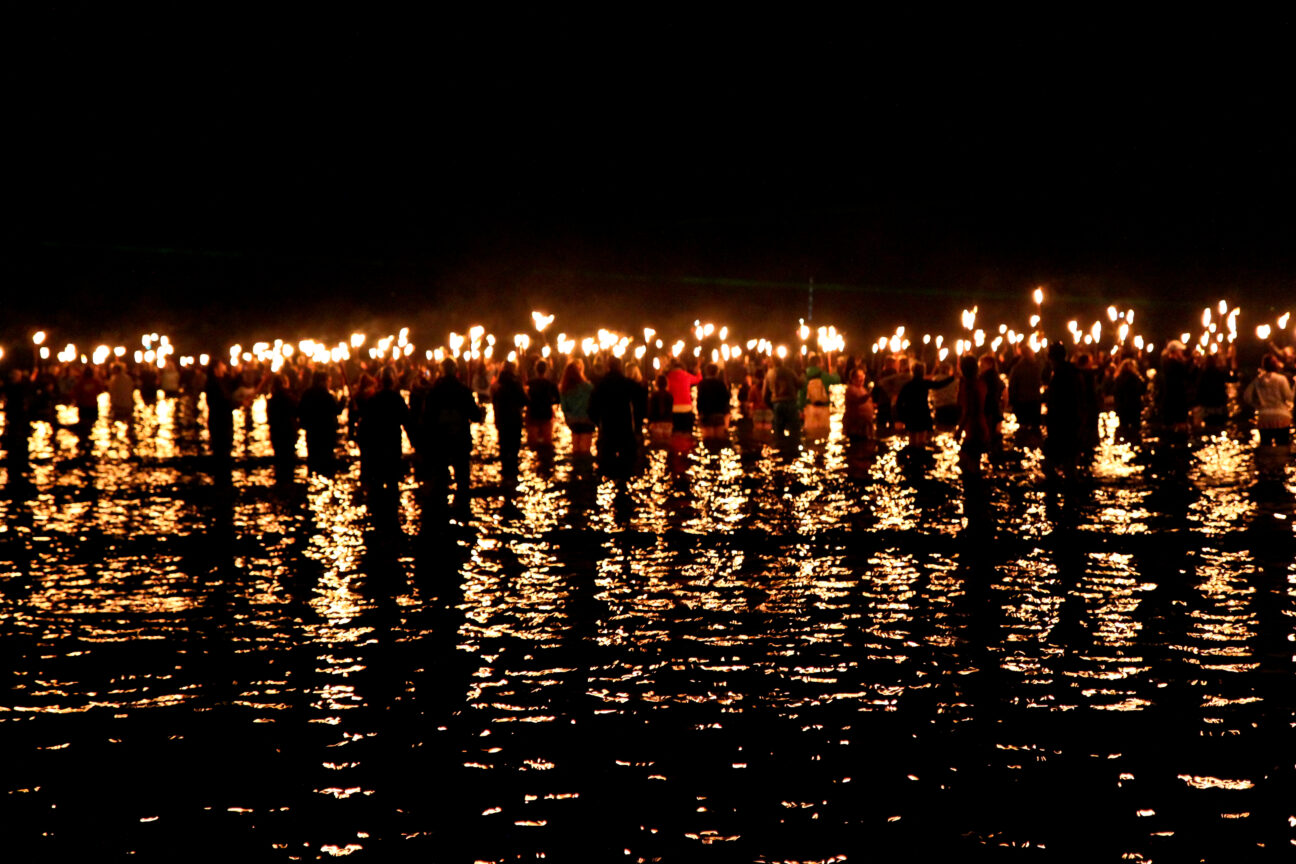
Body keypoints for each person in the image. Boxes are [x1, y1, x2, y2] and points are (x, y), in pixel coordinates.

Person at [422, 357, 482, 504]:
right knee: (462, 479)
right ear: (455, 371)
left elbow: (426, 418)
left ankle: (441, 511)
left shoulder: (434, 392)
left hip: (440, 441)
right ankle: (462, 507)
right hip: (459, 440)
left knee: (440, 481)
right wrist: (480, 412)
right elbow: (475, 415)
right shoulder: (463, 391)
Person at [587, 355, 646, 479]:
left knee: (607, 466)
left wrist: (598, 423)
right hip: (625, 428)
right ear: (620, 367)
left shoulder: (601, 384)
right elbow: (641, 400)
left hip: (608, 428)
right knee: (627, 467)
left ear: (608, 367)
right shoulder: (627, 383)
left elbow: (591, 408)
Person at [358, 368, 412, 495]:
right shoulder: (397, 399)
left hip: (377, 447)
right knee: (392, 485)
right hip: (392, 445)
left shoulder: (373, 400)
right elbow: (407, 423)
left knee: (377, 486)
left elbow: (364, 427)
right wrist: (415, 444)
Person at [1043, 342, 1083, 479]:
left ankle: (1058, 493)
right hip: (1071, 424)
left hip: (1062, 426)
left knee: (1054, 465)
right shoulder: (1072, 372)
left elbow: (1058, 402)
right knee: (1069, 465)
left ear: (1051, 358)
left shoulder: (1061, 375)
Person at [895, 361, 954, 448]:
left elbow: (899, 402)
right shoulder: (924, 383)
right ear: (923, 372)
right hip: (923, 413)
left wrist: (900, 418)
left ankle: (912, 456)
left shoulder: (908, 386)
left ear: (913, 371)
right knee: (922, 441)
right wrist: (952, 378)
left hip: (911, 414)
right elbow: (939, 385)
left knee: (912, 440)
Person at [1242, 354, 1293, 447]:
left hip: (1264, 417)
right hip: (1281, 416)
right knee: (1282, 446)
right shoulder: (1281, 379)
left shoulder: (1258, 380)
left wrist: (1257, 405)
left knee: (1266, 446)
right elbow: (1289, 397)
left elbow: (1247, 396)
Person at [298, 370, 342, 473]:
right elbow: (336, 410)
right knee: (326, 459)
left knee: (313, 458)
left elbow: (300, 410)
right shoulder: (326, 395)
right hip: (326, 432)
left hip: (312, 431)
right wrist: (343, 401)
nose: (329, 383)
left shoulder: (307, 393)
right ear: (323, 381)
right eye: (328, 380)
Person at [490, 360, 529, 477]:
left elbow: (494, 402)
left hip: (501, 420)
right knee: (514, 449)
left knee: (504, 447)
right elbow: (524, 401)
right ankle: (513, 472)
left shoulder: (496, 385)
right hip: (514, 420)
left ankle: (505, 471)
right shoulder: (516, 383)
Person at [763, 355, 803, 440]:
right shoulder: (790, 371)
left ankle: (780, 448)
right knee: (794, 431)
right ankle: (794, 449)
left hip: (777, 404)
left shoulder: (769, 374)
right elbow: (799, 384)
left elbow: (765, 394)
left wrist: (771, 405)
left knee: (778, 431)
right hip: (790, 403)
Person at [559, 358, 595, 453]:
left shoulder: (564, 389)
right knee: (585, 451)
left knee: (575, 448)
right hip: (586, 420)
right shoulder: (588, 387)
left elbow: (564, 408)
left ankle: (575, 465)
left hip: (573, 421)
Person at [266, 373, 299, 469]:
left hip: (276, 433)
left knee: (279, 460)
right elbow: (297, 412)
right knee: (289, 461)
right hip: (289, 433)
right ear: (285, 383)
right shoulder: (290, 398)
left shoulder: (271, 400)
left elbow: (270, 417)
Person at [525, 359, 560, 446]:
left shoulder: (530, 383)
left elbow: (525, 399)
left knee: (533, 443)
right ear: (546, 370)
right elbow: (558, 399)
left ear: (536, 369)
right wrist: (549, 402)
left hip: (533, 413)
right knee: (547, 442)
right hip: (546, 414)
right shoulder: (550, 384)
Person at [1112, 359, 1147, 441]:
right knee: (1135, 429)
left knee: (1124, 428)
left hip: (1122, 408)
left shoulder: (1118, 379)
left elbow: (1116, 393)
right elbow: (1142, 390)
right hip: (1134, 407)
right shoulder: (1135, 378)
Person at [665, 357, 703, 433]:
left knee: (675, 432)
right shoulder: (686, 375)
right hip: (686, 407)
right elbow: (698, 379)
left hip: (673, 407)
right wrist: (698, 371)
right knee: (686, 431)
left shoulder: (668, 376)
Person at [696, 363, 731, 439]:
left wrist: (700, 413)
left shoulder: (702, 384)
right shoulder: (721, 384)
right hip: (719, 415)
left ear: (706, 372)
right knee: (719, 441)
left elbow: (700, 400)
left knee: (708, 441)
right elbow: (726, 399)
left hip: (707, 415)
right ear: (717, 372)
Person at [842, 367, 876, 443]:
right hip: (856, 427)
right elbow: (860, 399)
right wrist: (871, 392)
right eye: (859, 376)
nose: (862, 378)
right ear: (853, 378)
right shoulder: (851, 389)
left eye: (863, 376)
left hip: (865, 426)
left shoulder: (863, 389)